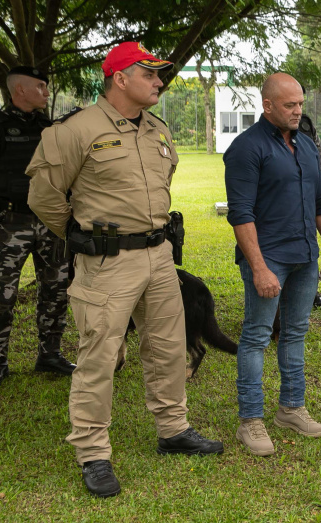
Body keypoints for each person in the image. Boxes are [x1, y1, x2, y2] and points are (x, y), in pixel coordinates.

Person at [26, 42, 223, 498]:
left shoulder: (157, 128)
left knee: (168, 348)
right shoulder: (75, 130)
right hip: (106, 261)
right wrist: (84, 236)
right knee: (100, 358)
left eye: (159, 75)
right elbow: (44, 197)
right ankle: (93, 452)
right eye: (149, 74)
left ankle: (173, 429)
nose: (158, 82)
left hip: (158, 256)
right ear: (119, 77)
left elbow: (160, 184)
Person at [224, 73, 321, 456]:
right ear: (267, 105)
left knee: (295, 332)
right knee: (256, 334)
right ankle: (250, 421)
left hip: (305, 256)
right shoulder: (246, 148)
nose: (297, 111)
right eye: (289, 105)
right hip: (269, 257)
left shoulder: (305, 146)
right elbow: (240, 214)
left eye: (300, 104)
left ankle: (291, 408)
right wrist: (258, 267)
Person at [0, 66, 75, 389]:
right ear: (20, 90)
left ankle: (50, 354)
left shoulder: (50, 127)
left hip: (51, 222)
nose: (46, 92)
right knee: (1, 296)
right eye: (41, 87)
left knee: (57, 290)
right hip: (9, 223)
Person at [297, 106, 321, 312]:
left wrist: (319, 187)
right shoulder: (261, 133)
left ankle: (310, 292)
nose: (297, 108)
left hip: (309, 198)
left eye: (299, 103)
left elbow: (318, 161)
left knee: (309, 245)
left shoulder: (306, 126)